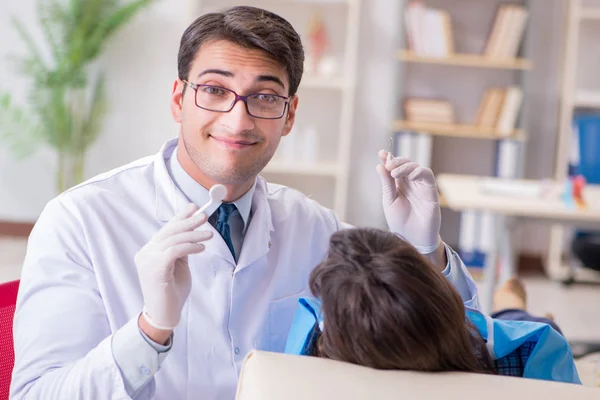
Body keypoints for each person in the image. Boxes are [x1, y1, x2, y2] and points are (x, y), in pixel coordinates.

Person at [10, 6, 479, 400]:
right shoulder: (78, 220)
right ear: (179, 100)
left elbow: (453, 349)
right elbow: (37, 394)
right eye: (215, 90)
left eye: (265, 96)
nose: (238, 120)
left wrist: (424, 251)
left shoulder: (314, 226)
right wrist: (151, 329)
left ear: (289, 115)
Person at [284, 228, 580, 384]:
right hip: (489, 331)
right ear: (439, 291)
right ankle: (510, 300)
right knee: (522, 318)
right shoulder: (526, 353)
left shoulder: (317, 351)